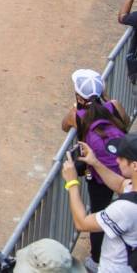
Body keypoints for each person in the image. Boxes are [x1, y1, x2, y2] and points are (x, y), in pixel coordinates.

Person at [61, 69, 129, 272]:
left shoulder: (77, 115)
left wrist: (75, 108)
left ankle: (96, 259)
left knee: (98, 214)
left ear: (79, 95)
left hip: (99, 176)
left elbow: (64, 126)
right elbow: (124, 123)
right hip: (124, 172)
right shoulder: (114, 105)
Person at [62, 133, 137, 273]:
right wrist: (94, 162)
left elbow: (82, 223)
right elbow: (121, 185)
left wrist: (72, 182)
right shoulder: (133, 188)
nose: (117, 160)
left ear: (134, 165)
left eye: (121, 157)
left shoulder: (125, 209)